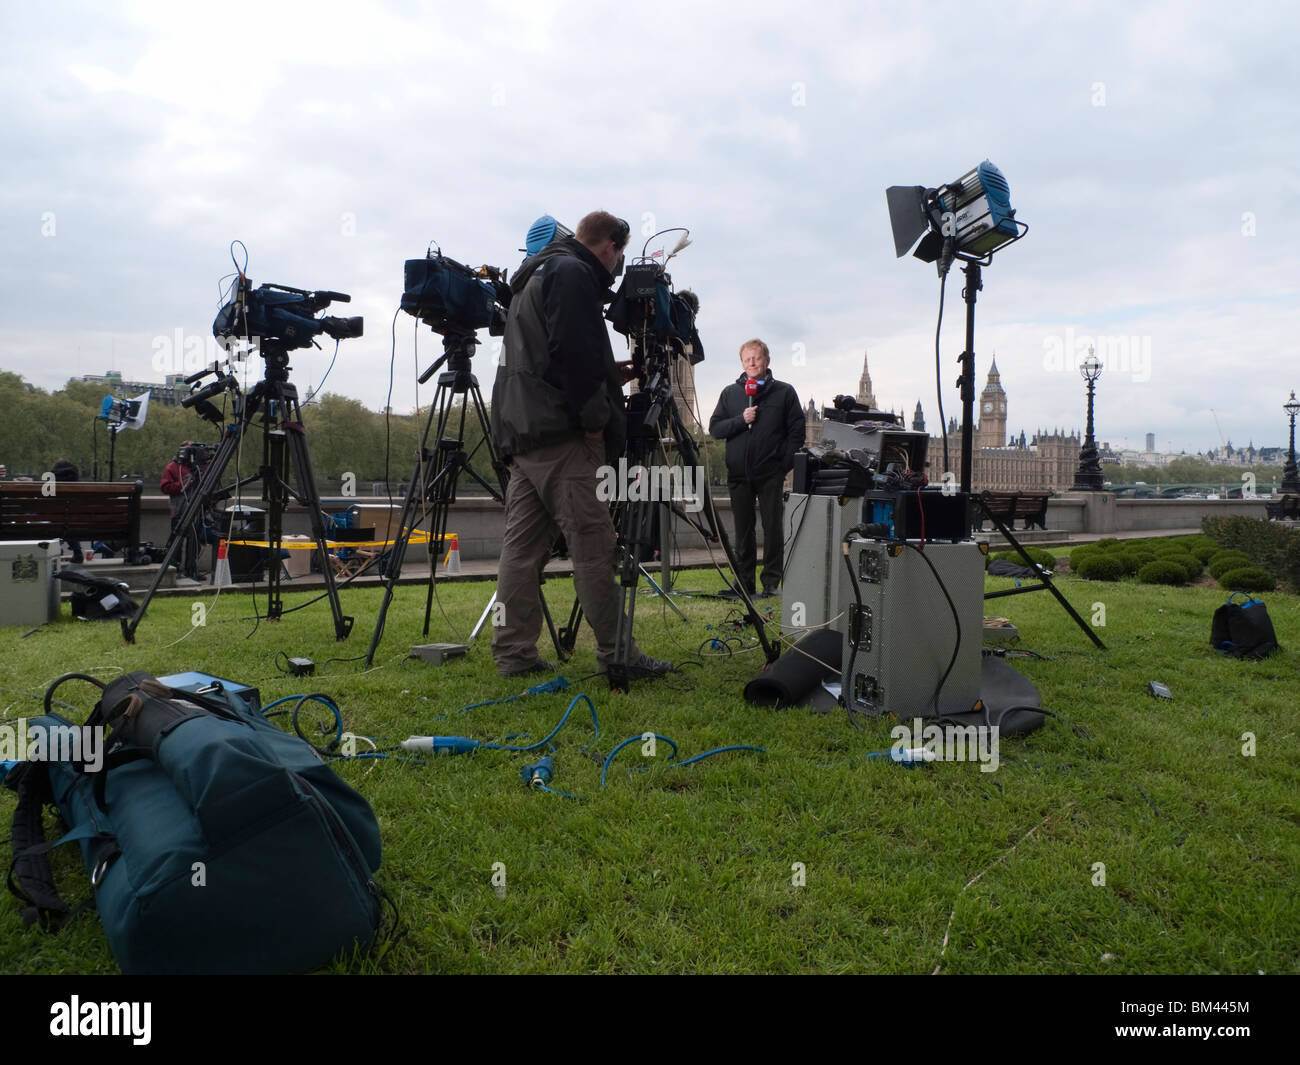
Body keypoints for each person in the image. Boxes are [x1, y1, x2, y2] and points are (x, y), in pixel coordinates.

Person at [490, 210, 671, 680]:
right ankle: (619, 655)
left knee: (521, 552)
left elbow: (545, 359)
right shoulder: (572, 273)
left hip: (524, 435)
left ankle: (514, 655)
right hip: (562, 438)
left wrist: (607, 373)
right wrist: (595, 421)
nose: (617, 267)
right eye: (620, 255)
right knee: (594, 550)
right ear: (609, 246)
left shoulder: (537, 275)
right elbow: (571, 355)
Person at [708, 339, 805, 599]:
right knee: (743, 531)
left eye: (756, 358)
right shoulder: (731, 393)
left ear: (767, 361)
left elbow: (797, 433)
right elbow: (715, 428)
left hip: (770, 472)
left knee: (773, 528)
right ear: (742, 363)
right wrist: (741, 420)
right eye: (747, 359)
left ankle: (771, 583)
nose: (751, 363)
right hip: (739, 474)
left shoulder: (784, 393)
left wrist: (782, 465)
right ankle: (744, 582)